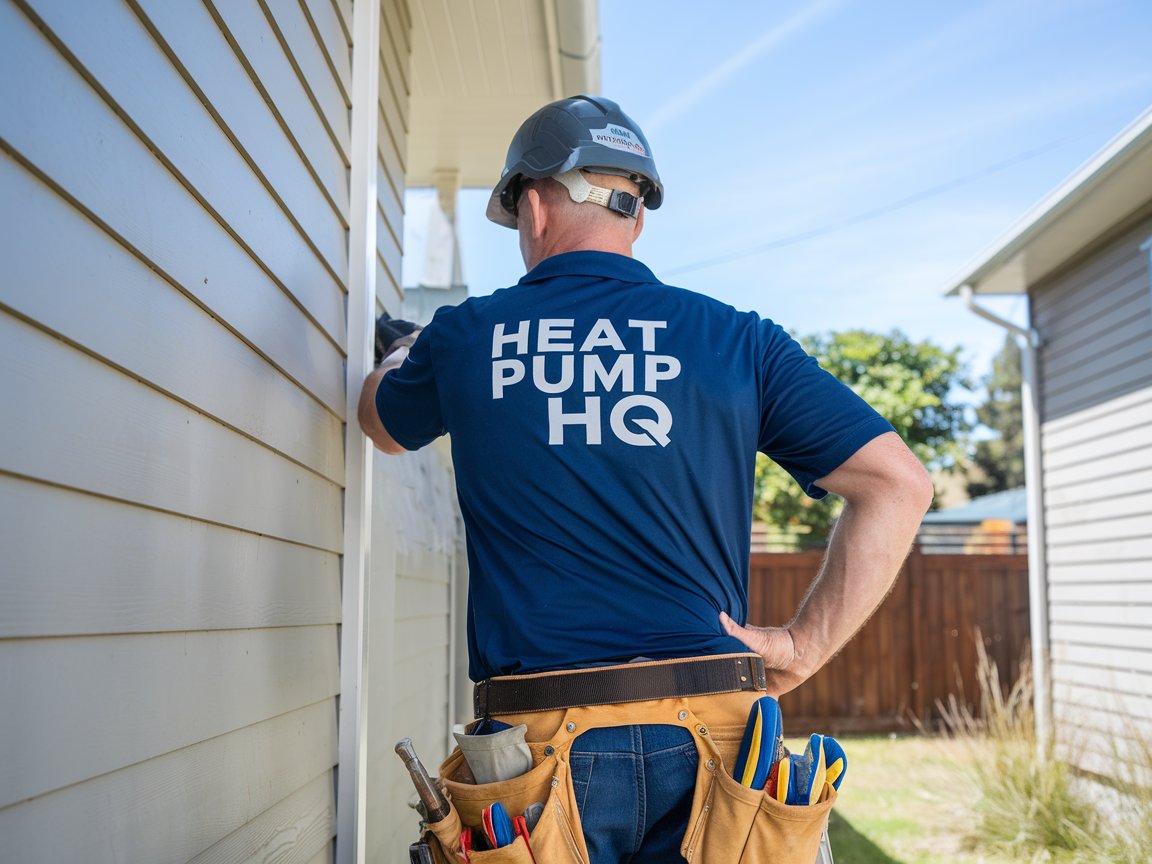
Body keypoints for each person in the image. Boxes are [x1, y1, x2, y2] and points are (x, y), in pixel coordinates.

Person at [359, 96, 933, 864]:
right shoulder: (737, 339)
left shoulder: (466, 337)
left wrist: (408, 352)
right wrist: (805, 642)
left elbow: (381, 423)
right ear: (637, 216)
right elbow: (899, 484)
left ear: (531, 207)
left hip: (536, 757)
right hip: (723, 746)